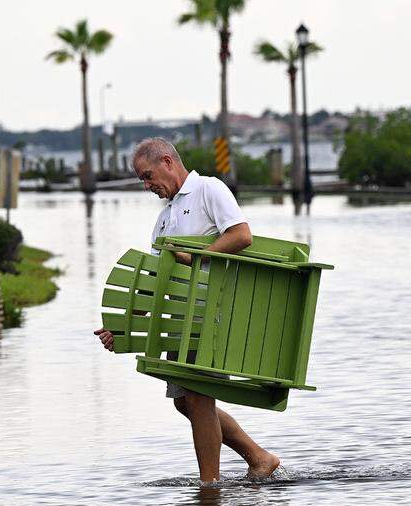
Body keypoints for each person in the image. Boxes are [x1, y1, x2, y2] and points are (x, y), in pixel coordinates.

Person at [93, 138, 281, 485]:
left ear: (167, 161)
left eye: (148, 176)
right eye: (142, 181)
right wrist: (124, 329)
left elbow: (241, 235)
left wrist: (197, 256)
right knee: (186, 403)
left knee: (197, 397)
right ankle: (259, 458)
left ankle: (209, 489)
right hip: (182, 322)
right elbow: (155, 282)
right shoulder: (164, 220)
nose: (147, 186)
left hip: (213, 316)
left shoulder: (208, 189)